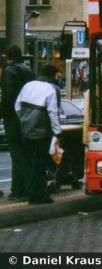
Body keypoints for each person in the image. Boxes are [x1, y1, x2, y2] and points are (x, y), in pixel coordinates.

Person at [15, 64, 62, 205]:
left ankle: (32, 193)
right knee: (41, 164)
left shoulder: (28, 85)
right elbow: (53, 112)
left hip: (26, 130)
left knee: (30, 163)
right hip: (42, 132)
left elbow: (17, 106)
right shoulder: (51, 89)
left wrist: (24, 121)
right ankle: (41, 195)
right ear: (53, 75)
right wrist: (57, 131)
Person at [0, 45, 36, 201]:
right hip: (28, 117)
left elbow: (8, 97)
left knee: (18, 155)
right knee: (22, 154)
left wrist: (3, 114)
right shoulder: (28, 70)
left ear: (7, 57)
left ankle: (29, 189)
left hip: (14, 118)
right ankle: (18, 189)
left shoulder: (10, 70)